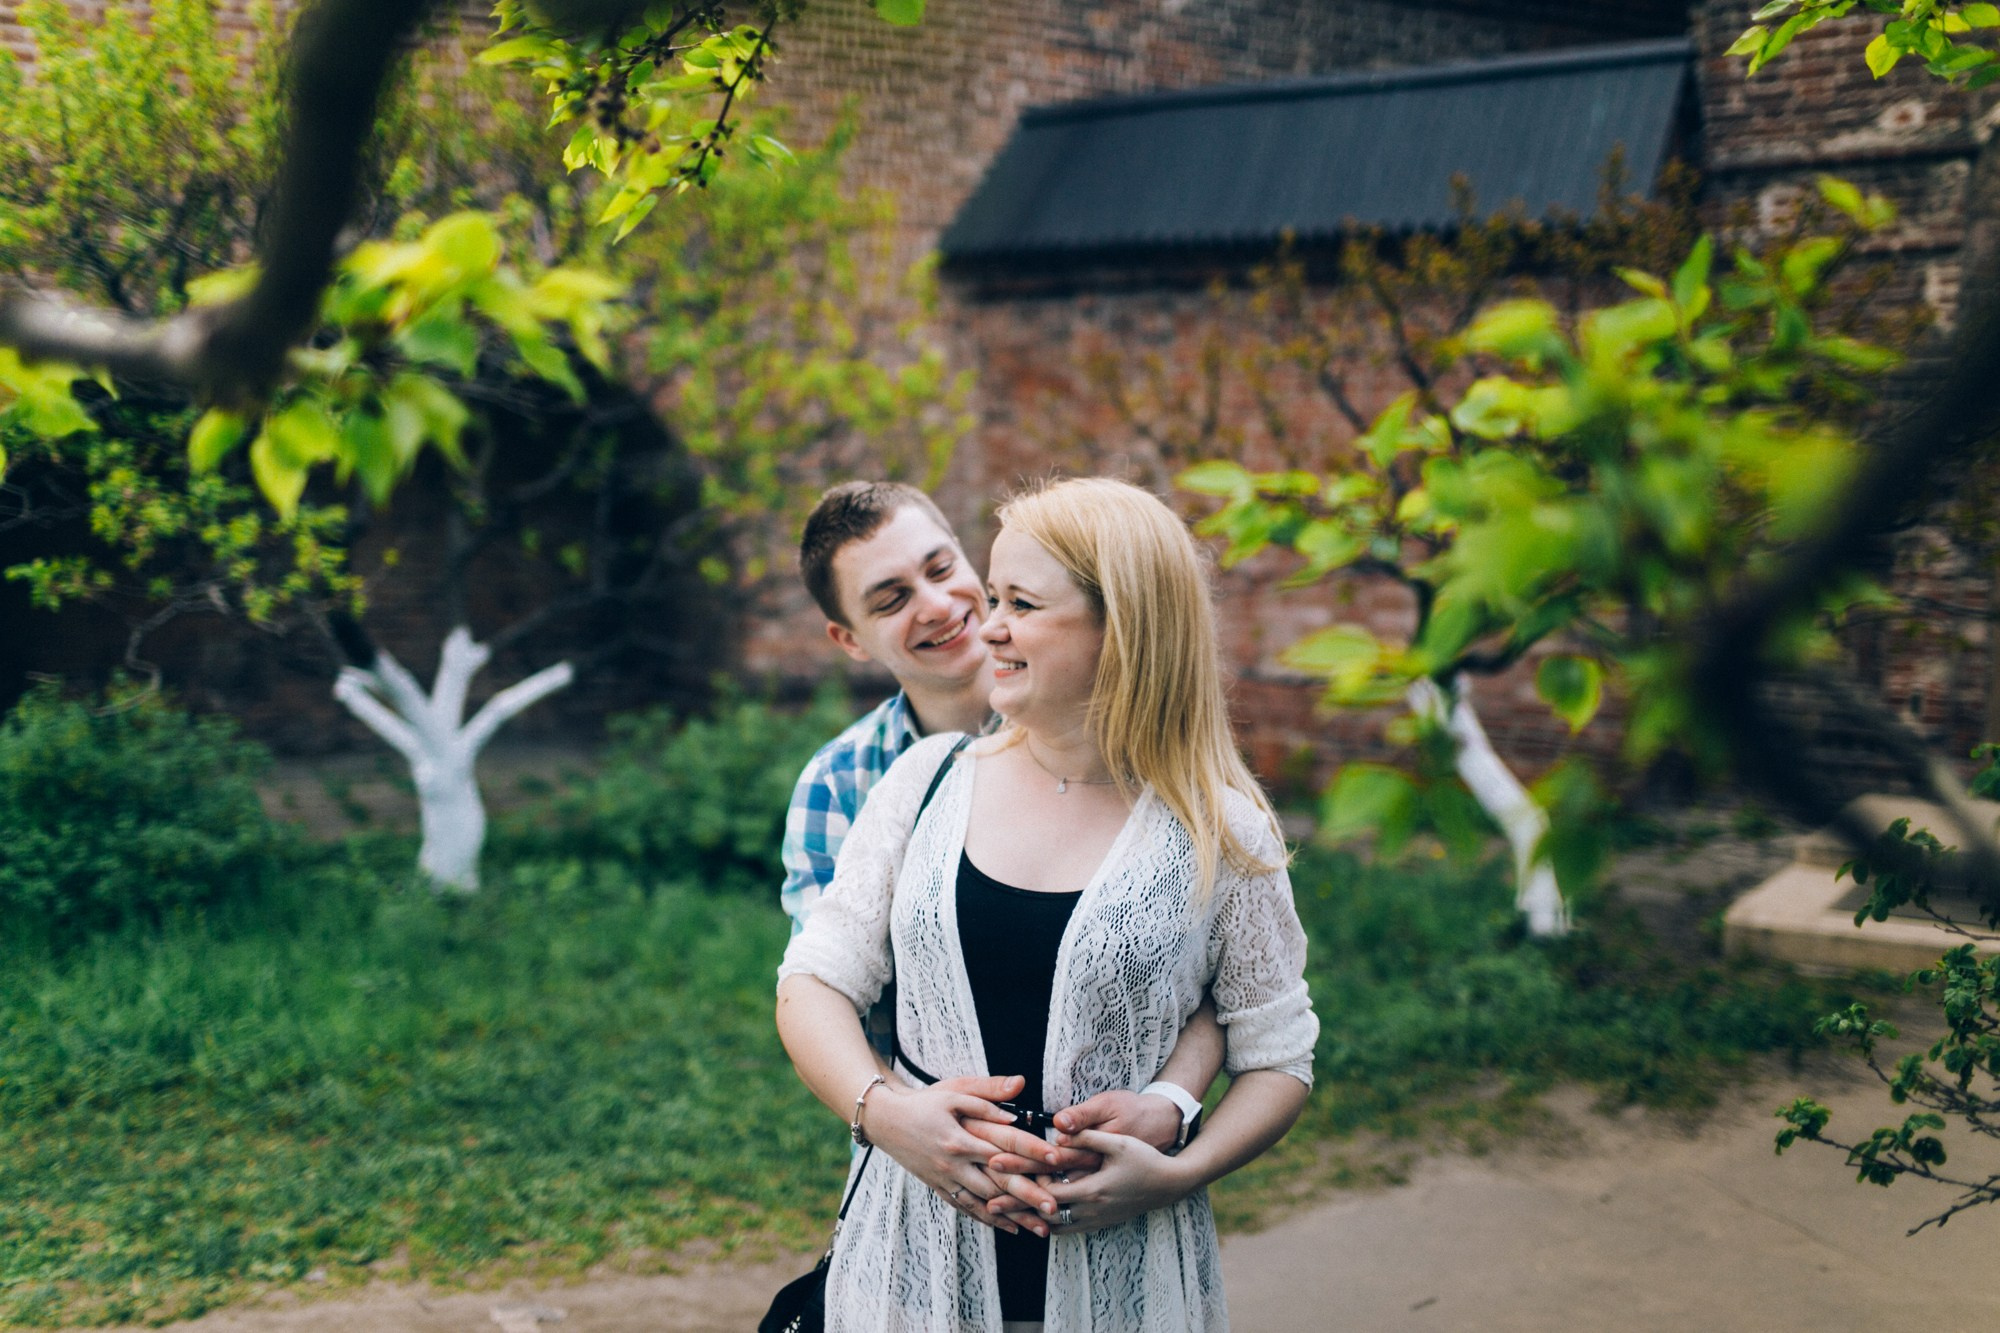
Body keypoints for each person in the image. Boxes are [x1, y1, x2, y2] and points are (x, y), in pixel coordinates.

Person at [777, 477, 1318, 1331]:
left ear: (1123, 628)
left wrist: (1178, 1158)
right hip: (914, 1262)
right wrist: (891, 1116)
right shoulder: (919, 782)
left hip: (1128, 1278)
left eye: (1015, 601)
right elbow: (813, 980)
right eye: (994, 597)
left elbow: (1275, 1043)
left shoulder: (1220, 827)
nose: (980, 623)